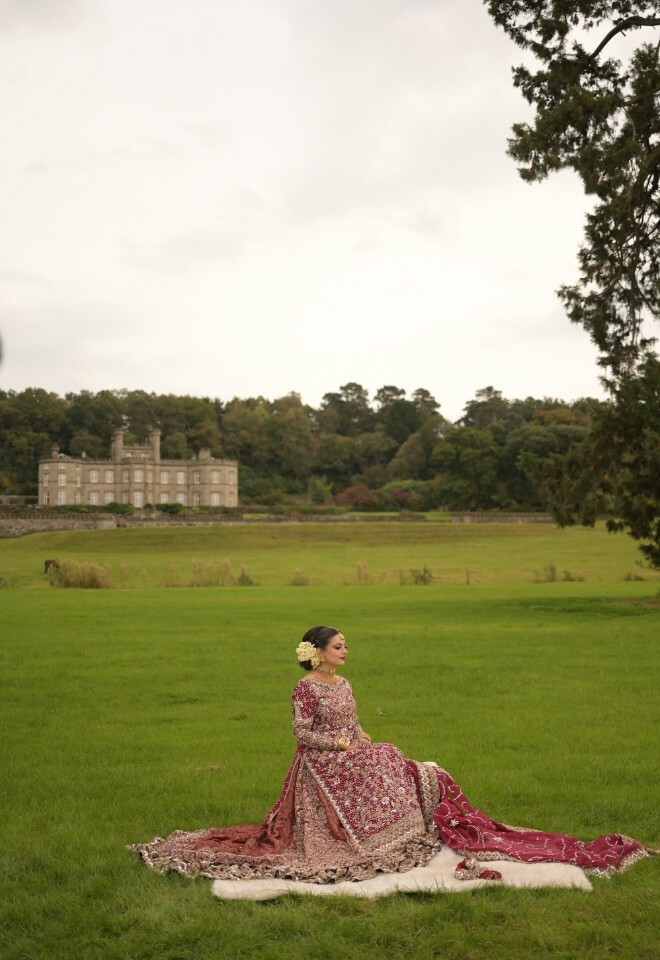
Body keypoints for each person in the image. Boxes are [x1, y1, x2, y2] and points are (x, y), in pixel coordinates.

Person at [132, 625, 654, 883]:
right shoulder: (307, 689)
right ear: (316, 653)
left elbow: (355, 724)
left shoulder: (346, 684)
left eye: (345, 647)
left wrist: (360, 740)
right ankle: (378, 834)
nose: (345, 652)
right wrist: (341, 745)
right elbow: (302, 736)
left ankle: (417, 822)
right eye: (338, 647)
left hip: (347, 749)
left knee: (392, 756)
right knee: (375, 760)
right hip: (320, 762)